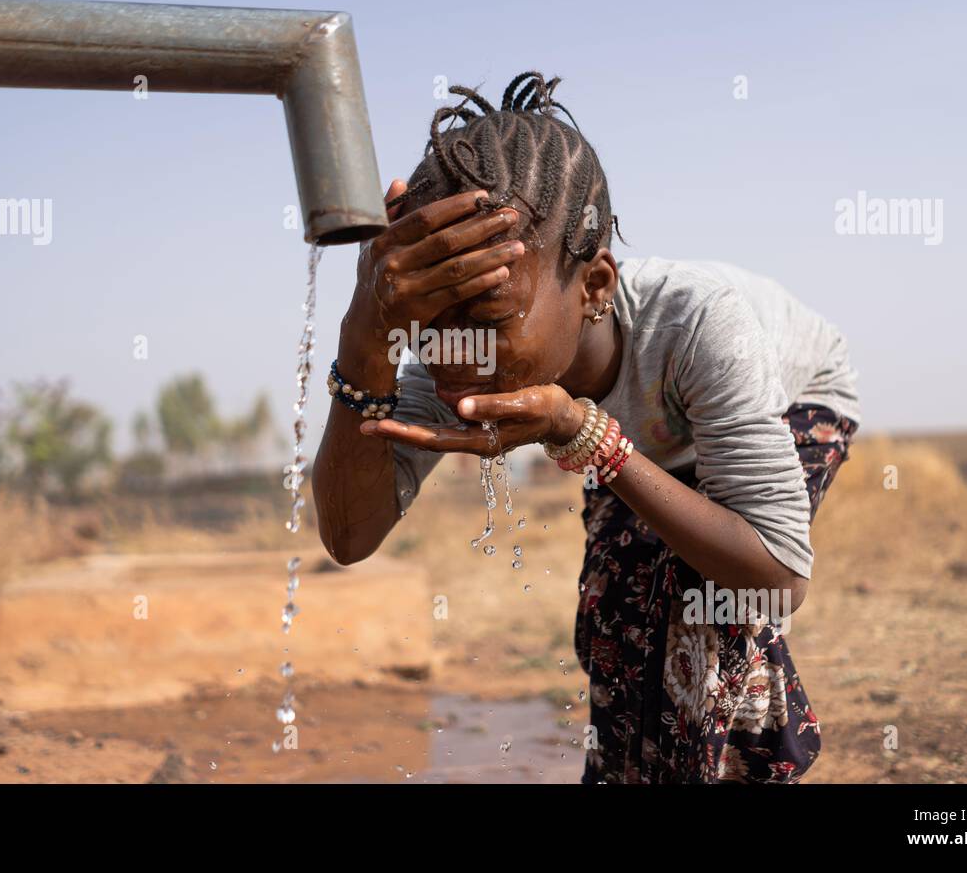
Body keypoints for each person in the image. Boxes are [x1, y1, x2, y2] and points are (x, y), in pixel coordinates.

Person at [311, 72, 860, 783]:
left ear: (595, 287)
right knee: (614, 616)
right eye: (424, 326)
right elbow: (349, 538)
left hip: (794, 397)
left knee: (699, 606)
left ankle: (745, 764)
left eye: (484, 320)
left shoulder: (697, 323)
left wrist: (581, 431)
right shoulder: (464, 354)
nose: (452, 356)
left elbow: (779, 577)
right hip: (643, 439)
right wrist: (365, 331)